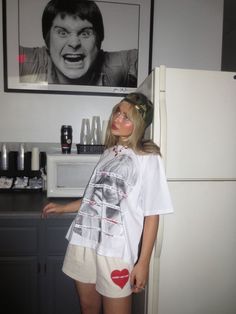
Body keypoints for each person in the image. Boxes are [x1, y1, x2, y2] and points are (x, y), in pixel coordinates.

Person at [42, 92, 173, 314]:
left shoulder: (148, 158)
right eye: (117, 112)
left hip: (115, 250)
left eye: (126, 117)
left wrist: (143, 263)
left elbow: (152, 214)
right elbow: (95, 198)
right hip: (84, 241)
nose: (117, 119)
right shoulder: (109, 152)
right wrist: (64, 208)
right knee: (88, 307)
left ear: (139, 125)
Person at [19, 0, 138, 87]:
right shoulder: (26, 61)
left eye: (85, 33)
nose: (74, 43)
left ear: (98, 41)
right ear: (47, 41)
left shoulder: (118, 65)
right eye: (62, 33)